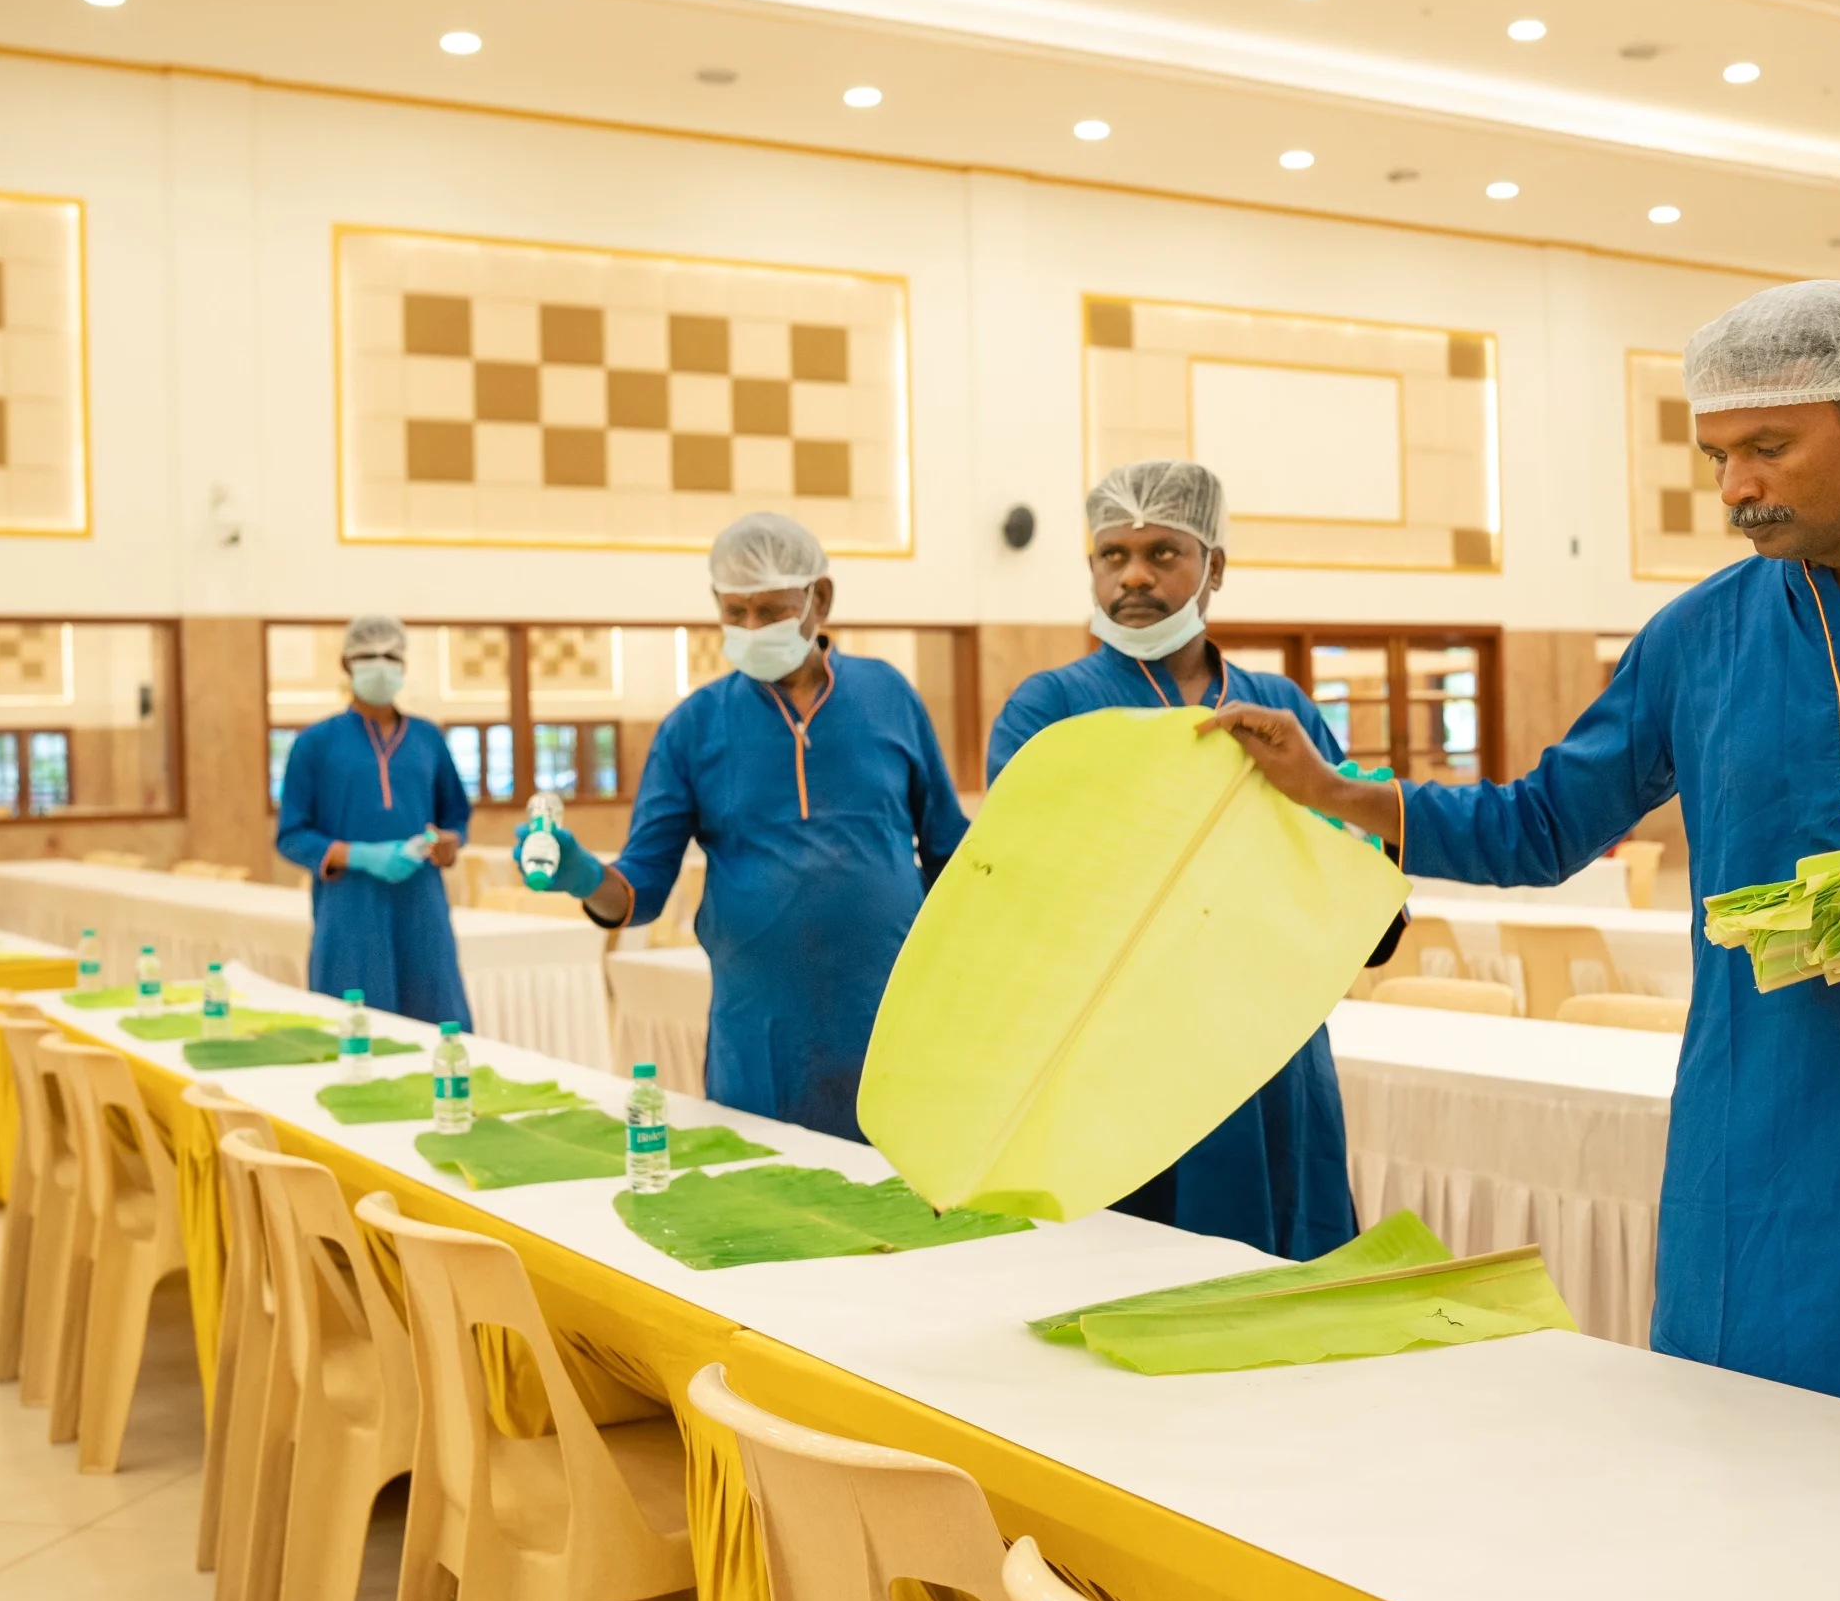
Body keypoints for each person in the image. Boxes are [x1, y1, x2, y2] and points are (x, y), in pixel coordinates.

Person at [1200, 280, 1840, 1478]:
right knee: (1761, 1501)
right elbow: (1543, 824)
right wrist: (1337, 793)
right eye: (1717, 455)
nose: (1733, 488)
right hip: (1760, 1161)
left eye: (1767, 447)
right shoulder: (1696, 639)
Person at [988, 460, 1371, 1263]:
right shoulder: (1049, 709)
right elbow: (1019, 887)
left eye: (1162, 552)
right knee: (1124, 1277)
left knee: (1277, 1280)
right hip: (1118, 1052)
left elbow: (1348, 870)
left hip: (1271, 1052)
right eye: (1112, 555)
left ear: (1214, 566)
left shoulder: (1282, 710)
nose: (1133, 575)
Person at [523, 513, 968, 1140]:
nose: (753, 629)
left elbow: (951, 851)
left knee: (904, 1181)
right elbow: (641, 890)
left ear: (820, 599)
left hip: (890, 1012)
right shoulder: (694, 727)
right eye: (735, 612)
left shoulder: (888, 696)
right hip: (760, 1034)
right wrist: (585, 877)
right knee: (768, 1180)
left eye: (772, 611)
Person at [274, 614, 473, 1028]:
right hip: (349, 911)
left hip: (421, 905)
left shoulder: (428, 739)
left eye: (390, 656)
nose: (380, 665)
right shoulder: (314, 744)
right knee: (354, 1028)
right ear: (346, 664)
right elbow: (291, 835)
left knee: (436, 1023)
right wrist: (358, 855)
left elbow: (455, 816)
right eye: (368, 656)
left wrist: (449, 842)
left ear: (404, 666)